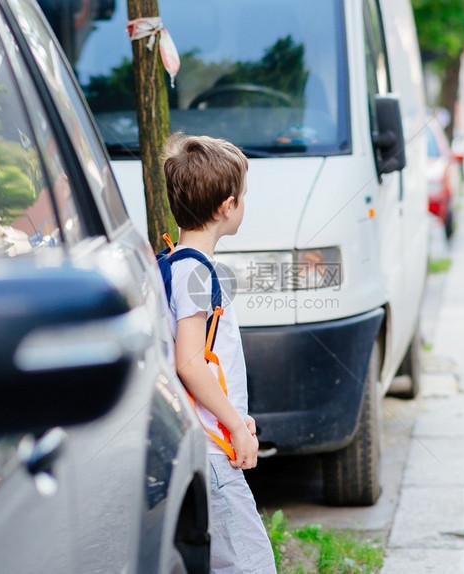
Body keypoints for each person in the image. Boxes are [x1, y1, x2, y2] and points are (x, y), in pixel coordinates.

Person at [162, 133, 277, 574]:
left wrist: (234, 417)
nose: (243, 204)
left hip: (206, 441)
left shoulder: (176, 262)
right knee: (250, 565)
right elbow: (190, 362)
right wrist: (234, 426)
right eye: (243, 196)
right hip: (211, 449)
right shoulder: (194, 272)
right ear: (228, 206)